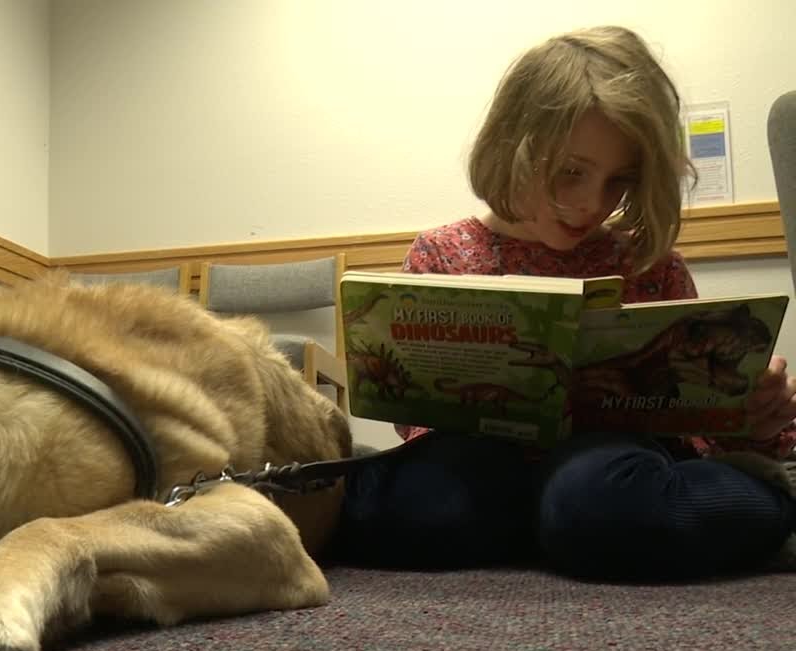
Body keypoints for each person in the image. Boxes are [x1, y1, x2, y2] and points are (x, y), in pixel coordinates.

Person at [336, 26, 796, 581]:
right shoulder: (442, 252)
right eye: (571, 171)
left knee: (595, 497)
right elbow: (417, 427)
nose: (591, 204)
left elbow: (702, 429)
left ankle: (756, 506)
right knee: (426, 496)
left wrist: (754, 418)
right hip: (485, 470)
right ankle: (548, 524)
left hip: (612, 468)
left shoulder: (650, 264)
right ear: (514, 146)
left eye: (619, 181)